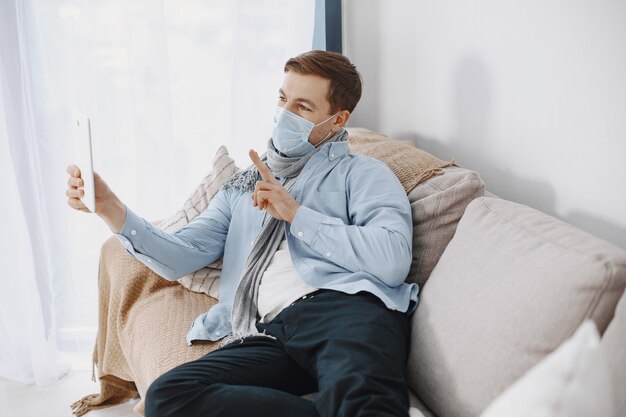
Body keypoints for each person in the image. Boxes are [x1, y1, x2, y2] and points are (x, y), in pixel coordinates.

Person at [66, 50, 419, 417]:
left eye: (302, 107)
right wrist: (110, 207)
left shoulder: (362, 174)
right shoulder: (244, 184)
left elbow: (392, 260)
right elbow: (183, 253)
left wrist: (296, 214)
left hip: (346, 309)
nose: (285, 114)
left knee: (363, 404)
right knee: (168, 396)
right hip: (269, 330)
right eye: (283, 99)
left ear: (337, 120)